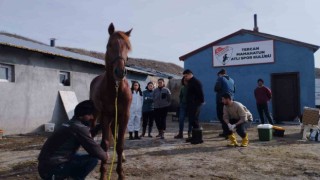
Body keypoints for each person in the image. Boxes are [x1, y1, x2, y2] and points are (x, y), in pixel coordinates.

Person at [38, 100, 106, 180]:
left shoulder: (70, 123)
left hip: (45, 167)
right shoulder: (79, 128)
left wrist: (100, 126)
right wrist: (105, 155)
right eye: (90, 115)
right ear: (81, 115)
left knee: (79, 156)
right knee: (93, 159)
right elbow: (98, 152)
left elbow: (87, 133)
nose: (92, 117)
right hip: (53, 171)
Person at [183, 69, 205, 144]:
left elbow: (200, 93)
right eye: (184, 76)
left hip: (195, 104)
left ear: (190, 74)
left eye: (186, 76)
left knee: (195, 120)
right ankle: (194, 137)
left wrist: (201, 102)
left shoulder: (196, 82)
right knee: (192, 120)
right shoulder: (190, 82)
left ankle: (199, 139)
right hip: (191, 104)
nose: (185, 77)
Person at [214, 68, 235, 138]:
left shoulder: (220, 78)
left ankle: (227, 132)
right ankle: (227, 132)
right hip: (231, 101)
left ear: (220, 74)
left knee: (221, 116)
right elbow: (234, 90)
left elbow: (216, 88)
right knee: (228, 116)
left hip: (221, 101)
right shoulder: (232, 80)